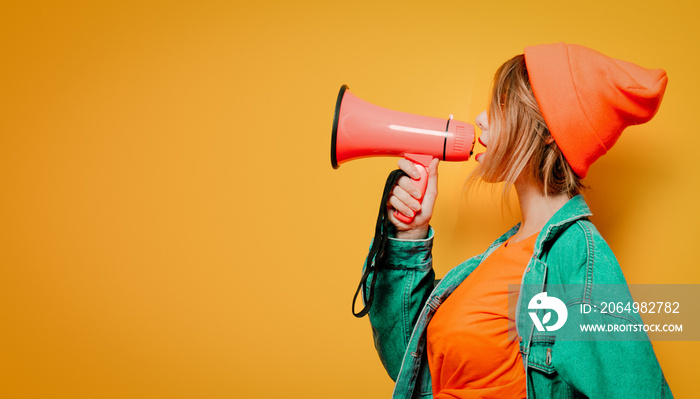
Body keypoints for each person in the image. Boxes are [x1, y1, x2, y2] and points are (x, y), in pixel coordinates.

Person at [361, 43, 673, 398]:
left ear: (545, 131)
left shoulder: (576, 257)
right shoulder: (503, 256)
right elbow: (409, 363)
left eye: (501, 105)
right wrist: (409, 234)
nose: (480, 117)